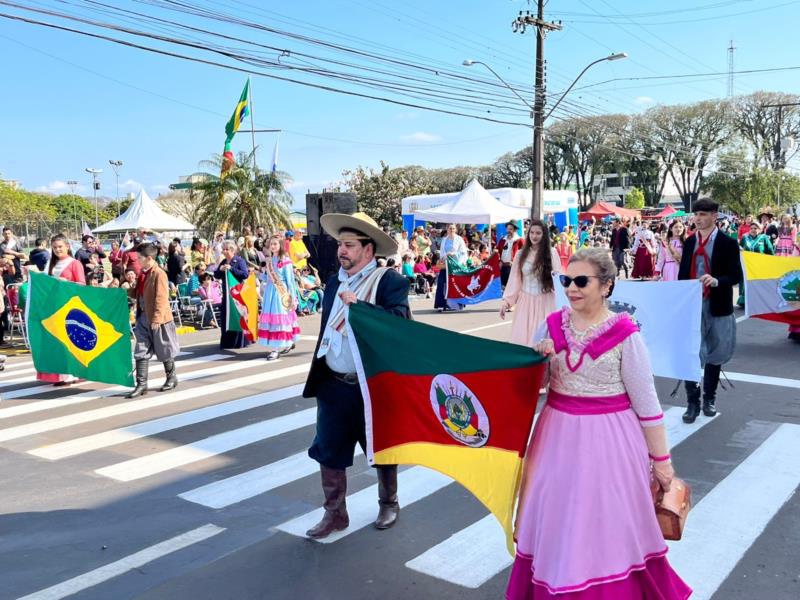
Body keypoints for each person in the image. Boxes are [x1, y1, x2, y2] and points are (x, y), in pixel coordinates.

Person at [509, 247, 690, 599]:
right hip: (555, 437)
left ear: (606, 286)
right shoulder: (549, 326)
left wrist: (662, 461)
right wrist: (539, 362)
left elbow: (648, 404)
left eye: (581, 281)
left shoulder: (625, 334)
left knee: (604, 525)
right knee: (558, 520)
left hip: (611, 442)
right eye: (567, 281)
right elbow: (533, 387)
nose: (571, 288)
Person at [303, 211, 410, 539]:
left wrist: (361, 309)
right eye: (340, 245)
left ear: (368, 249)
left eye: (349, 245)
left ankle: (388, 502)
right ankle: (335, 513)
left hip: (370, 385)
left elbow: (400, 326)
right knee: (328, 448)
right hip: (334, 382)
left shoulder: (389, 281)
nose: (342, 251)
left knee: (381, 447)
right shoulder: (335, 280)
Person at [678, 198, 742, 423]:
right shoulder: (688, 242)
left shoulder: (728, 243)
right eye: (696, 214)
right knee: (691, 353)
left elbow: (736, 276)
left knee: (715, 352)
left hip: (717, 304)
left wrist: (717, 280)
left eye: (703, 214)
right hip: (692, 305)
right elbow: (682, 275)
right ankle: (692, 401)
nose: (698, 218)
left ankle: (709, 399)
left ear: (715, 216)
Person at [126, 243, 180, 398]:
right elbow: (137, 293)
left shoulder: (159, 274)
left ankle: (171, 377)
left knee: (164, 349)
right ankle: (142, 384)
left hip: (159, 319)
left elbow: (161, 298)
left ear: (149, 258)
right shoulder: (143, 273)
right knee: (140, 350)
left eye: (139, 258)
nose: (137, 261)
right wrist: (129, 287)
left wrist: (156, 318)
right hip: (143, 316)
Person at [500, 219, 561, 347]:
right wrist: (506, 302)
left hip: (546, 302)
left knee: (544, 342)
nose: (534, 236)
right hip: (525, 303)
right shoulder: (520, 254)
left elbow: (558, 280)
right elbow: (514, 280)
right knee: (523, 342)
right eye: (531, 232)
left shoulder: (552, 253)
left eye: (538, 233)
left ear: (544, 234)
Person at [36, 234, 86, 385]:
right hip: (54, 307)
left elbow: (82, 284)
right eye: (55, 247)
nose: (58, 250)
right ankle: (59, 374)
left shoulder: (74, 263)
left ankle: (73, 373)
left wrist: (66, 283)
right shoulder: (50, 264)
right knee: (57, 342)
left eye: (60, 247)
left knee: (70, 341)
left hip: (70, 307)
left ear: (67, 247)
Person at [257, 236, 300, 360]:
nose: (273, 246)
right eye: (271, 244)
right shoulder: (269, 261)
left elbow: (290, 281)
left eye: (275, 244)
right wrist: (258, 274)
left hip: (281, 293)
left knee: (280, 320)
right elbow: (267, 278)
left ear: (280, 245)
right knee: (273, 320)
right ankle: (286, 342)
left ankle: (275, 349)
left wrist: (293, 298)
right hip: (270, 292)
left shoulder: (285, 261)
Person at [214, 240, 252, 349]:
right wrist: (220, 270)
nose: (224, 251)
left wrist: (232, 269)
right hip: (227, 294)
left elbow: (245, 274)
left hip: (237, 293)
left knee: (238, 316)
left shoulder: (239, 261)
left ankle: (240, 341)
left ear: (232, 250)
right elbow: (216, 275)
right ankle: (227, 342)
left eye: (226, 249)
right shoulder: (223, 262)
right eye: (223, 249)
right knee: (227, 316)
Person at [433, 224, 468, 312]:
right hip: (446, 264)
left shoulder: (459, 239)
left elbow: (463, 252)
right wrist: (444, 256)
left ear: (455, 230)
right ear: (447, 229)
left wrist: (454, 254)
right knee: (442, 282)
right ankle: (442, 304)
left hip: (455, 265)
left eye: (453, 228)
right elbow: (442, 252)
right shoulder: (444, 240)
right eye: (450, 228)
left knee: (455, 284)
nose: (451, 230)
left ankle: (456, 304)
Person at [496, 221, 523, 288]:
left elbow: (524, 255)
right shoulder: (502, 240)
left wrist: (515, 262)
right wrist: (499, 261)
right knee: (503, 286)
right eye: (507, 229)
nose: (508, 231)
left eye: (510, 229)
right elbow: (497, 252)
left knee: (512, 287)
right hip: (502, 267)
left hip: (513, 268)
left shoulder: (520, 241)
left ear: (515, 230)